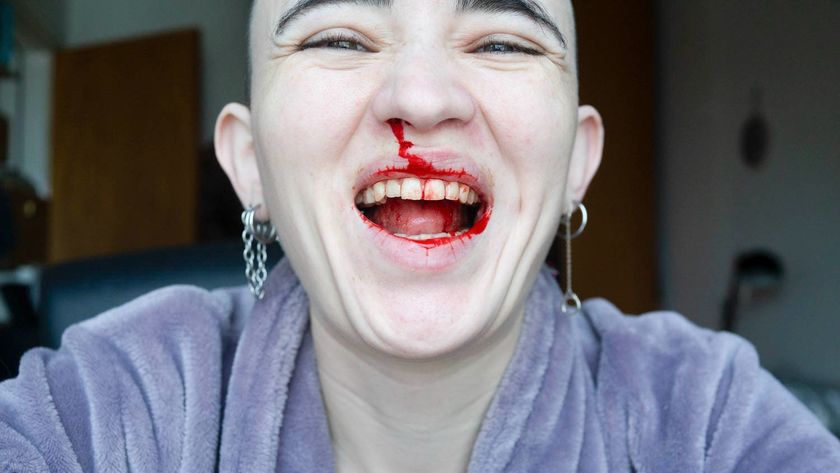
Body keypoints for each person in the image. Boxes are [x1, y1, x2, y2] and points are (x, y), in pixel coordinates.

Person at [2, 0, 839, 471]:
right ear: (249, 162)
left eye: (504, 40)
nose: (423, 94)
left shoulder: (706, 420)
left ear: (577, 162)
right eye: (338, 35)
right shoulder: (111, 409)